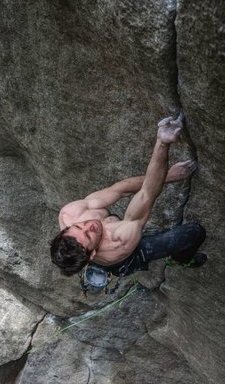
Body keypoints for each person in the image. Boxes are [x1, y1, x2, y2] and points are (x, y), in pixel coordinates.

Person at [50, 115, 206, 278]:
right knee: (194, 233)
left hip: (96, 246)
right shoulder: (120, 241)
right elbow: (147, 193)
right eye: (89, 235)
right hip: (124, 255)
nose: (90, 225)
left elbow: (120, 189)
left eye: (78, 227)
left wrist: (168, 177)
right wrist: (162, 143)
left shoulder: (70, 214)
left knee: (107, 211)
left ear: (66, 229)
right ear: (92, 254)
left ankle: (88, 257)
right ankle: (179, 260)